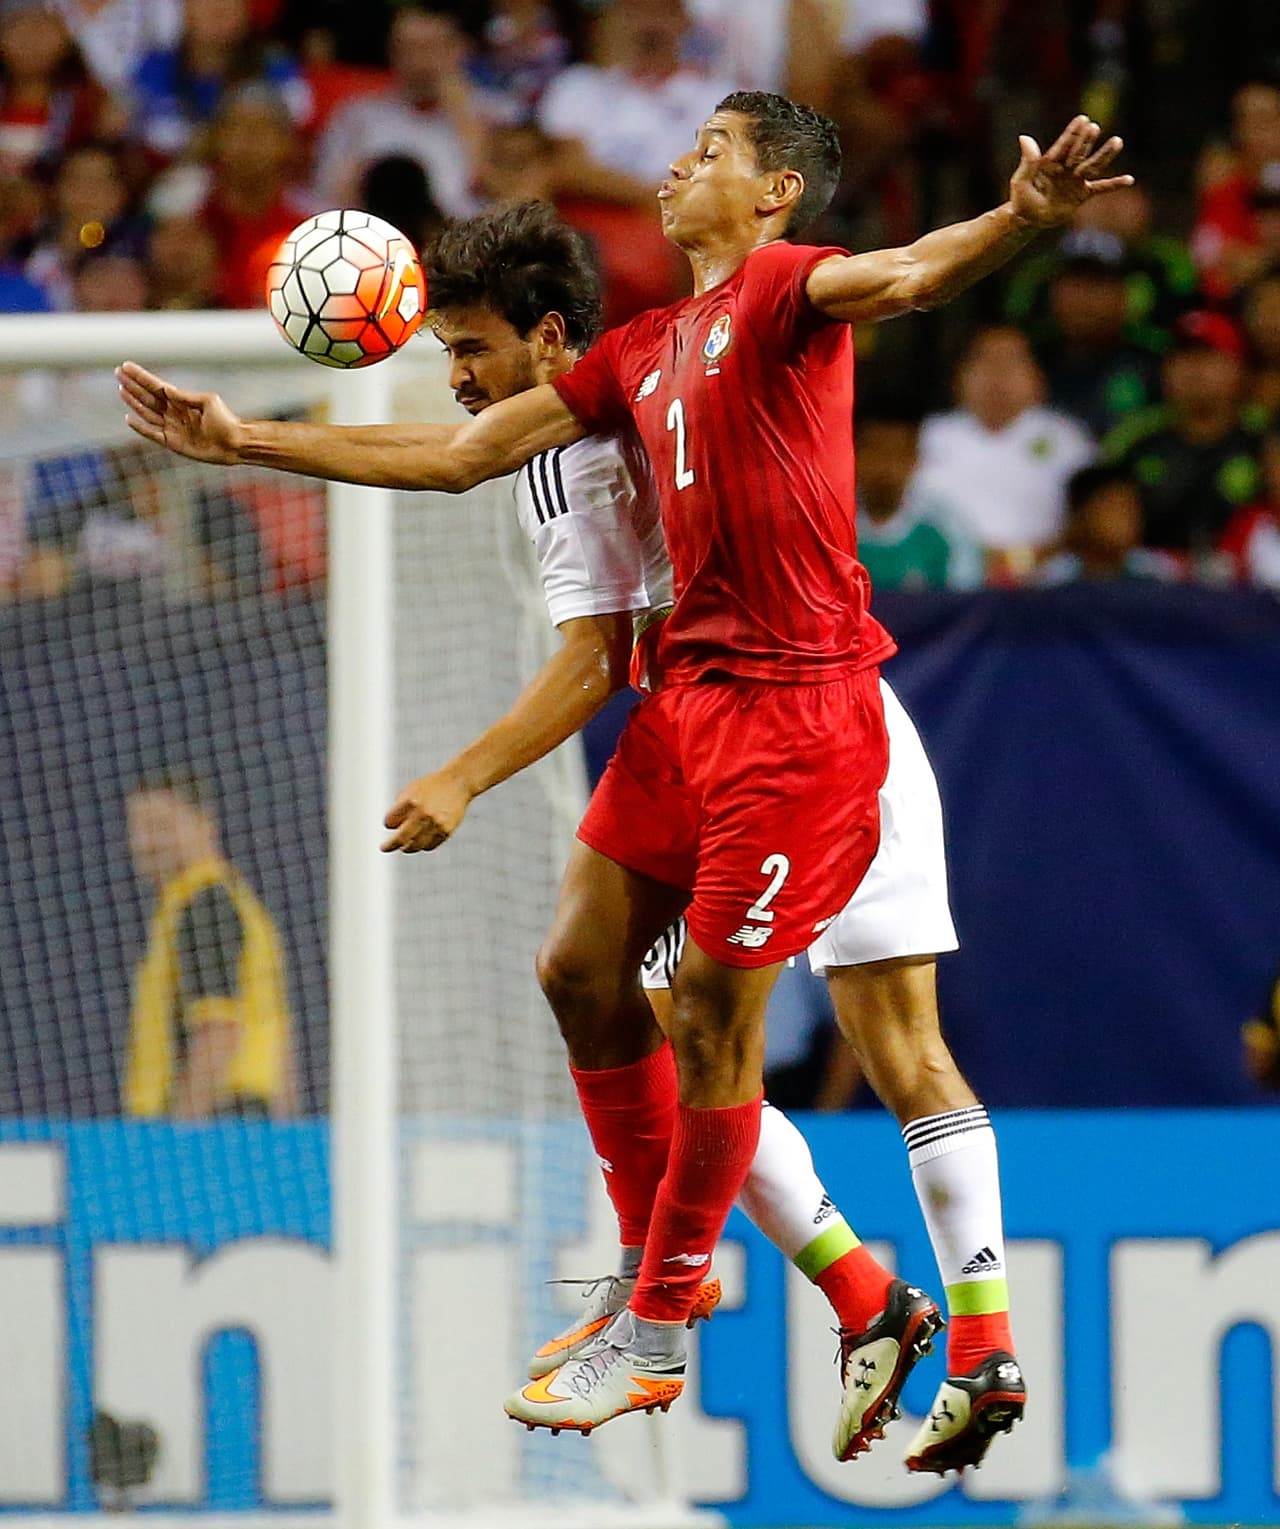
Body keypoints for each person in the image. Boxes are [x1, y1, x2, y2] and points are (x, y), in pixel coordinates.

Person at [117, 96, 1131, 1467]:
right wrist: (248, 440)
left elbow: (900, 276)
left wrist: (1019, 216)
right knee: (591, 974)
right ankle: (818, 1293)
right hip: (695, 712)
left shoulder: (780, 290)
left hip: (807, 711)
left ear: (773, 193)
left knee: (771, 1022)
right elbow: (461, 457)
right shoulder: (638, 355)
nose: (675, 163)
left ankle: (704, 1316)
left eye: (710, 150)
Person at [392, 200, 945, 1462]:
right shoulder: (616, 394)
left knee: (718, 1027)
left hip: (800, 723)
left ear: (546, 338)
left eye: (468, 349)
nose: (457, 376)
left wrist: (464, 775)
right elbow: (463, 464)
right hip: (722, 724)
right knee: (633, 1005)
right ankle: (848, 1293)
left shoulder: (594, 428)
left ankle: (664, 1302)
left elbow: (594, 654)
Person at [123, 770, 297, 1118]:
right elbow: (280, 1045)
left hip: (217, 1118)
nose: (147, 843)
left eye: (161, 827)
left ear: (205, 825)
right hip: (247, 1119)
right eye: (138, 829)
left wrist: (179, 1135)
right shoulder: (224, 901)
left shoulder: (206, 906)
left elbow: (218, 1033)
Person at [912, 324, 1096, 573]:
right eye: (984, 360)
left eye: (1012, 361)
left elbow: (1093, 520)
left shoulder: (1069, 441)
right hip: (942, 579)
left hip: (1045, 580)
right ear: (957, 377)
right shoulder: (927, 437)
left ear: (1039, 378)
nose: (997, 374)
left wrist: (1020, 561)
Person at [1102, 310, 1266, 561]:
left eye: (1208, 358)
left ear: (1240, 368)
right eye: (1182, 357)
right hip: (1150, 576)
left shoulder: (1263, 438)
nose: (1194, 370)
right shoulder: (1134, 437)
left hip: (1251, 577)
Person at [310, 4, 484, 218]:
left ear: (458, 49)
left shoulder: (494, 115)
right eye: (409, 49)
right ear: (391, 53)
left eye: (431, 47)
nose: (421, 61)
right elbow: (326, 195)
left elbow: (497, 192)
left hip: (464, 230)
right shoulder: (358, 117)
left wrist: (463, 118)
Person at [853, 408, 982, 590]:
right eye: (875, 451)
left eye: (899, 454)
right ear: (854, 456)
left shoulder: (945, 527)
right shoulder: (829, 528)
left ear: (915, 460)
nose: (886, 466)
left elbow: (966, 597)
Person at [1034, 464, 1181, 585]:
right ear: (1080, 516)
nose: (1128, 520)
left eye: (1133, 509)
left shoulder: (1156, 573)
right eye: (1115, 508)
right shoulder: (1053, 578)